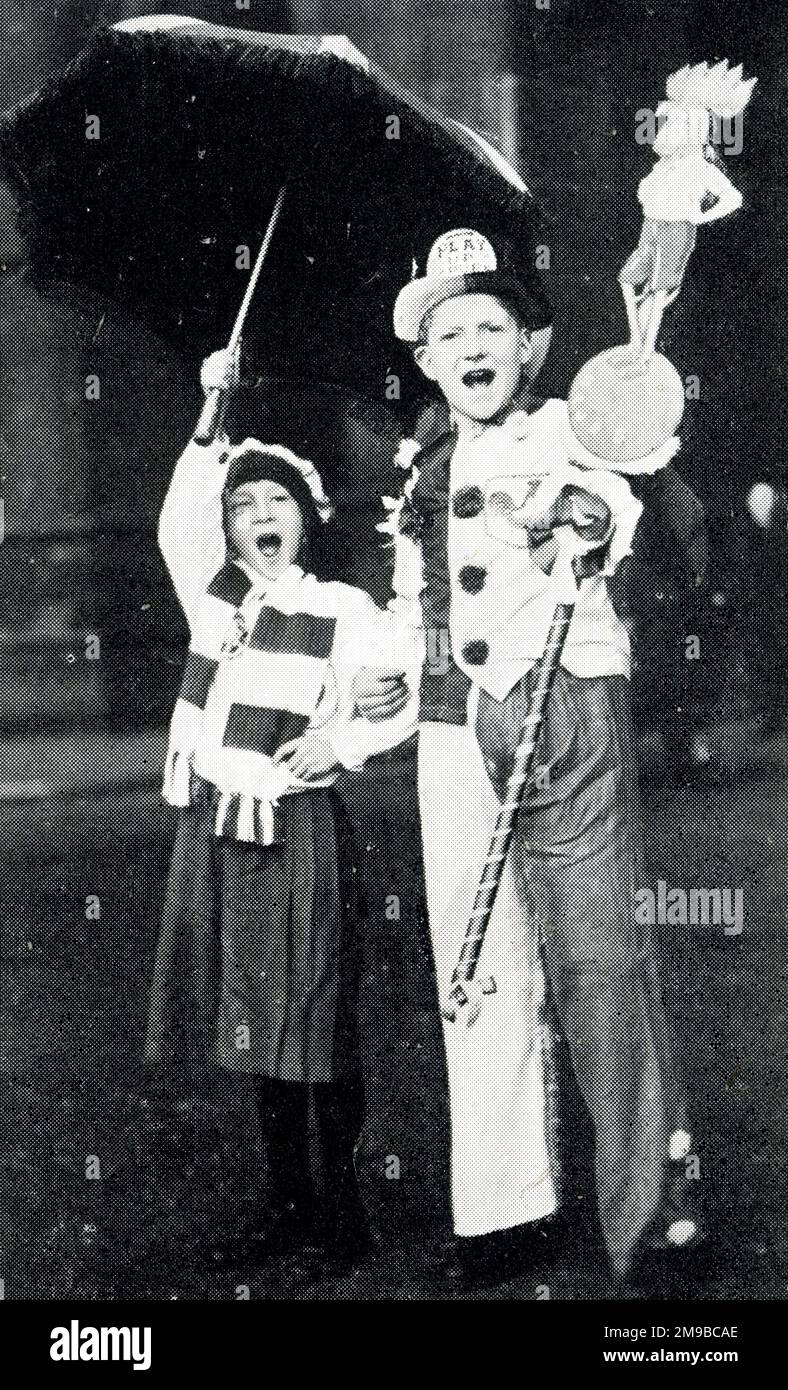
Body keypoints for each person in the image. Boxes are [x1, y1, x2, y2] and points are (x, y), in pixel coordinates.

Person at [354, 227, 702, 1286]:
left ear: (525, 348)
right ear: (424, 359)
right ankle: (506, 1207)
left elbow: (621, 492)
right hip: (452, 723)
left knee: (598, 961)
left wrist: (582, 517)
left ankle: (654, 1209)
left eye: (492, 327)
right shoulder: (419, 461)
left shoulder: (567, 430)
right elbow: (411, 603)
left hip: (562, 706)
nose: (472, 344)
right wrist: (382, 679)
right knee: (480, 969)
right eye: (449, 329)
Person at [144, 347, 418, 1275]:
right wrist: (209, 405)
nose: (259, 518)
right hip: (226, 829)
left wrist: (338, 744)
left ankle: (341, 1220)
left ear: (308, 518)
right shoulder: (213, 605)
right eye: (243, 507)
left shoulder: (343, 607)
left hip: (302, 832)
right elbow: (179, 516)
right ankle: (286, 1205)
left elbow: (401, 692)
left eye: (277, 504)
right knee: (256, 1023)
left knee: (315, 1021)